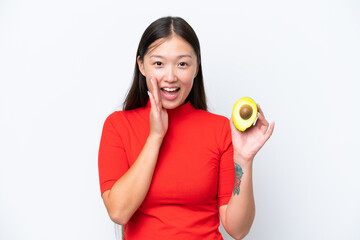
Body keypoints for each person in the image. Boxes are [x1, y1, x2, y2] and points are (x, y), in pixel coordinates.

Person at [98, 16, 274, 240]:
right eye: (159, 63)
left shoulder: (220, 129)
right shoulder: (118, 126)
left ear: (196, 67)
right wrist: (155, 136)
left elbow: (238, 230)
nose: (170, 77)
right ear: (142, 65)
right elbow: (119, 211)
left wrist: (244, 161)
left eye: (182, 64)